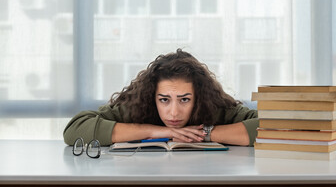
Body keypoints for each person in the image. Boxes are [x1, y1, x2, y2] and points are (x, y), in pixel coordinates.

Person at [63, 49, 258, 147]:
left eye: (184, 100)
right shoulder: (138, 107)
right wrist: (153, 131)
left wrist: (203, 134)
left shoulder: (213, 108)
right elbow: (75, 129)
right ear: (152, 97)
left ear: (199, 98)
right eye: (164, 100)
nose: (174, 112)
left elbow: (276, 126)